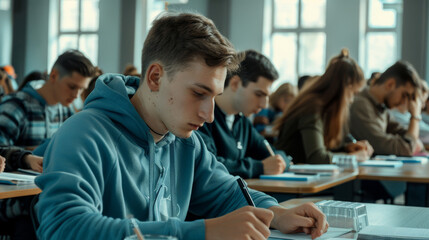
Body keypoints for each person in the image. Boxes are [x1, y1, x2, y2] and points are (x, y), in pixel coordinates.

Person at [35, 12, 328, 240]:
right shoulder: (83, 133)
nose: (209, 114)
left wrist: (275, 213)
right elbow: (63, 227)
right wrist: (203, 233)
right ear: (155, 78)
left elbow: (226, 193)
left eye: (214, 97)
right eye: (198, 93)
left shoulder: (186, 142)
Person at [198, 50, 290, 179]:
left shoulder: (241, 122)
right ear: (235, 83)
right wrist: (260, 167)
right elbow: (209, 166)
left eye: (267, 96)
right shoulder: (202, 117)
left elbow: (274, 154)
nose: (264, 104)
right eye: (259, 94)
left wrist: (281, 162)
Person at [274, 49, 373, 164]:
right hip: (291, 176)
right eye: (352, 94)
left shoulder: (324, 106)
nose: (351, 100)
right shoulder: (312, 107)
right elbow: (316, 157)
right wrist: (353, 157)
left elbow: (322, 150)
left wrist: (345, 148)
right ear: (343, 88)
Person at [0, 50, 95, 148]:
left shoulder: (67, 111)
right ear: (54, 76)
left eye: (81, 89)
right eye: (72, 87)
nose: (76, 95)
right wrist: (26, 156)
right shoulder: (16, 105)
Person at [349, 61, 423, 156]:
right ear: (390, 84)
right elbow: (406, 148)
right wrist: (415, 117)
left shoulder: (381, 108)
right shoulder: (361, 105)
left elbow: (408, 139)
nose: (405, 103)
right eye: (404, 95)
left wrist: (412, 141)